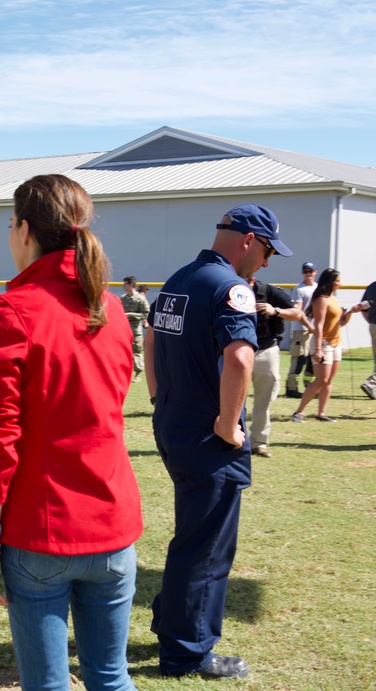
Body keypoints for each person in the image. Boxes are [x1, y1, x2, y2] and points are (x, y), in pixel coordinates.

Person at [0, 174, 144, 691]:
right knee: (110, 676)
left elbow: (7, 433)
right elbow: (75, 413)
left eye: (10, 225)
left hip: (44, 531)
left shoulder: (12, 309)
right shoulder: (110, 308)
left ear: (25, 229)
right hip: (113, 523)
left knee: (47, 684)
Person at [145, 203, 293, 678]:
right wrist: (229, 425)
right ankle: (187, 651)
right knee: (208, 546)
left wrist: (158, 396)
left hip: (173, 421)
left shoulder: (178, 279)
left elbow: (148, 339)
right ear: (248, 239)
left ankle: (170, 620)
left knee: (193, 533)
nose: (268, 262)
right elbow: (241, 359)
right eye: (268, 250)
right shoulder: (232, 287)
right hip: (208, 435)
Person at [291, 269, 357, 422]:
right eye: (338, 281)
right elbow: (319, 325)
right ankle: (298, 412)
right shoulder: (321, 299)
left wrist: (351, 312)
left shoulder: (332, 298)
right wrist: (319, 348)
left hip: (336, 342)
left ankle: (321, 413)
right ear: (330, 281)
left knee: (329, 379)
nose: (339, 284)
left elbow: (340, 323)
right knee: (321, 379)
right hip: (324, 343)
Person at [247, 275, 302, 457]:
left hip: (266, 348)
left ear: (253, 279)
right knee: (229, 399)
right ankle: (232, 440)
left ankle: (258, 443)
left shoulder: (269, 291)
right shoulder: (227, 291)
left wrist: (275, 310)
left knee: (264, 400)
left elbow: (297, 313)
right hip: (236, 349)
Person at [285, 262, 318, 398]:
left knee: (312, 361)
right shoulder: (299, 289)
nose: (308, 273)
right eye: (305, 271)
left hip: (315, 330)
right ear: (302, 273)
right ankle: (291, 387)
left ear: (315, 272)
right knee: (299, 359)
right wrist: (309, 326)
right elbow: (298, 311)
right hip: (302, 330)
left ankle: (310, 387)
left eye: (310, 271)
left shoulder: (317, 288)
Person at [120, 276, 150, 382]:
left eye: (125, 284)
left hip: (135, 330)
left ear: (131, 285)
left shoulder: (140, 299)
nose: (123, 286)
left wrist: (130, 315)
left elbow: (146, 314)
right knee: (122, 351)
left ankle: (138, 374)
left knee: (137, 351)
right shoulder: (123, 298)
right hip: (123, 329)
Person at [358, 279, 376, 400]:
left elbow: (362, 308)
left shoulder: (372, 286)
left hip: (373, 325)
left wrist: (370, 322)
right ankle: (371, 383)